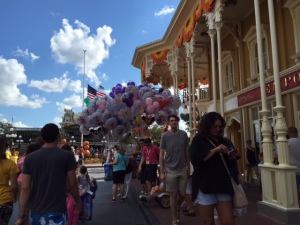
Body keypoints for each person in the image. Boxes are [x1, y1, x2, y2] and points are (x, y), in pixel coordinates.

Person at [15, 123, 81, 225]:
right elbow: (72, 184)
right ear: (58, 137)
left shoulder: (30, 158)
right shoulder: (67, 156)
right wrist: (78, 202)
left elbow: (25, 188)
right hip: (58, 211)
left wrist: (21, 215)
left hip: (36, 211)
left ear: (42, 137)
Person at [190, 112, 234, 225]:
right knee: (208, 221)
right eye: (215, 126)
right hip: (205, 184)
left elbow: (232, 160)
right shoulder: (198, 140)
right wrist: (214, 150)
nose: (218, 129)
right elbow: (196, 160)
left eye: (220, 126)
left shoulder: (223, 140)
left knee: (228, 221)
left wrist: (230, 153)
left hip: (222, 184)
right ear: (207, 126)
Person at [159, 114, 190, 225]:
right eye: (171, 120)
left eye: (175, 120)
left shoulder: (183, 134)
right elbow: (161, 153)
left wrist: (188, 165)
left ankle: (177, 207)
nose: (173, 122)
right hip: (170, 169)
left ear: (177, 121)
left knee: (182, 194)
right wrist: (162, 171)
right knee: (173, 194)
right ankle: (174, 218)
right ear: (169, 123)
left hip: (182, 168)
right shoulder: (165, 136)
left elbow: (187, 150)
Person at [17, 143, 42, 225]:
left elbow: (18, 169)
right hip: (33, 182)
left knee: (24, 206)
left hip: (20, 181)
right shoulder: (37, 159)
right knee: (36, 204)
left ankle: (23, 220)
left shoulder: (22, 159)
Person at [0, 137, 19, 225]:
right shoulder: (10, 164)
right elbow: (14, 186)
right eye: (6, 145)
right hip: (5, 200)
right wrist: (15, 196)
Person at [287, 126, 300, 202]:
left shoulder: (287, 143)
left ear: (289, 133)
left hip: (291, 169)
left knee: (293, 187)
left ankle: (296, 202)